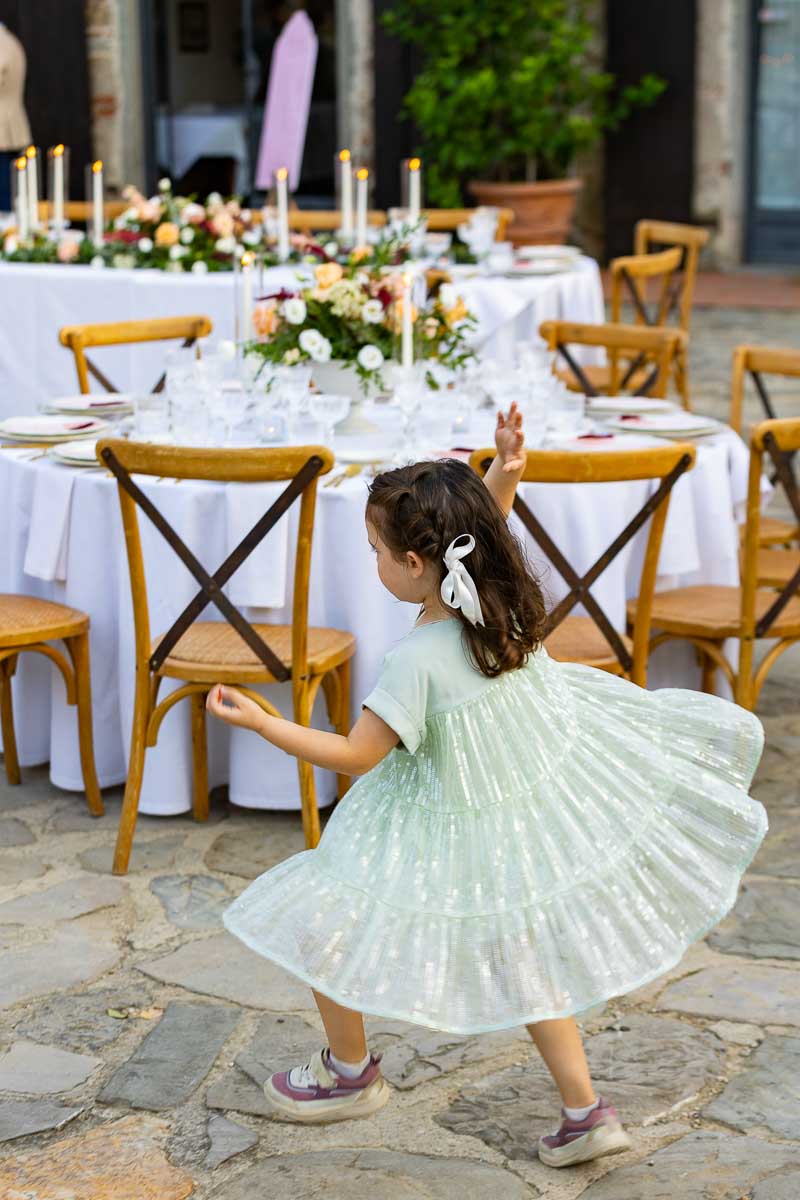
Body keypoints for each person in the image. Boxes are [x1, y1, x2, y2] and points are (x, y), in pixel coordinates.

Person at [206, 403, 767, 1167]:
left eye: (375, 551)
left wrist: (266, 724)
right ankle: (584, 1110)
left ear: (415, 566)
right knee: (525, 953)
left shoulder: (420, 658)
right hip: (523, 788)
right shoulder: (497, 600)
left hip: (448, 810)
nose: (372, 563)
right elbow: (481, 536)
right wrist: (503, 473)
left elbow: (358, 753)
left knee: (322, 924)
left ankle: (348, 1073)